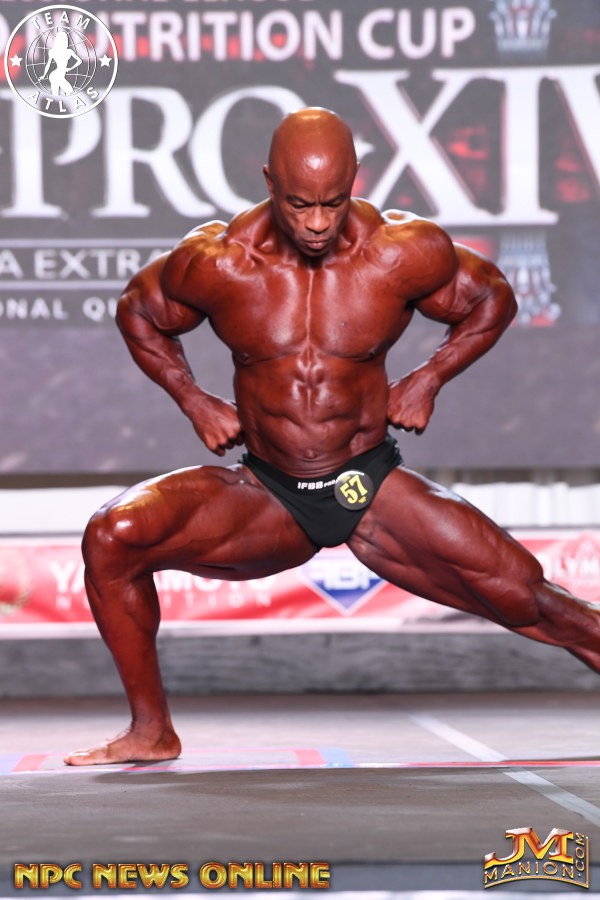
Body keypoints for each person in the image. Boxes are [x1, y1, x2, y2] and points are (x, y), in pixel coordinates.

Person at [65, 107, 600, 766]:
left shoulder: (400, 252)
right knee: (113, 536)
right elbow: (139, 311)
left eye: (333, 202)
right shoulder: (220, 261)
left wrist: (430, 376)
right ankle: (151, 730)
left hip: (368, 481)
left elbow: (492, 297)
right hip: (268, 492)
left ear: (355, 181)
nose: (317, 222)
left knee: (528, 599)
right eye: (299, 205)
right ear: (269, 182)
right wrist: (193, 399)